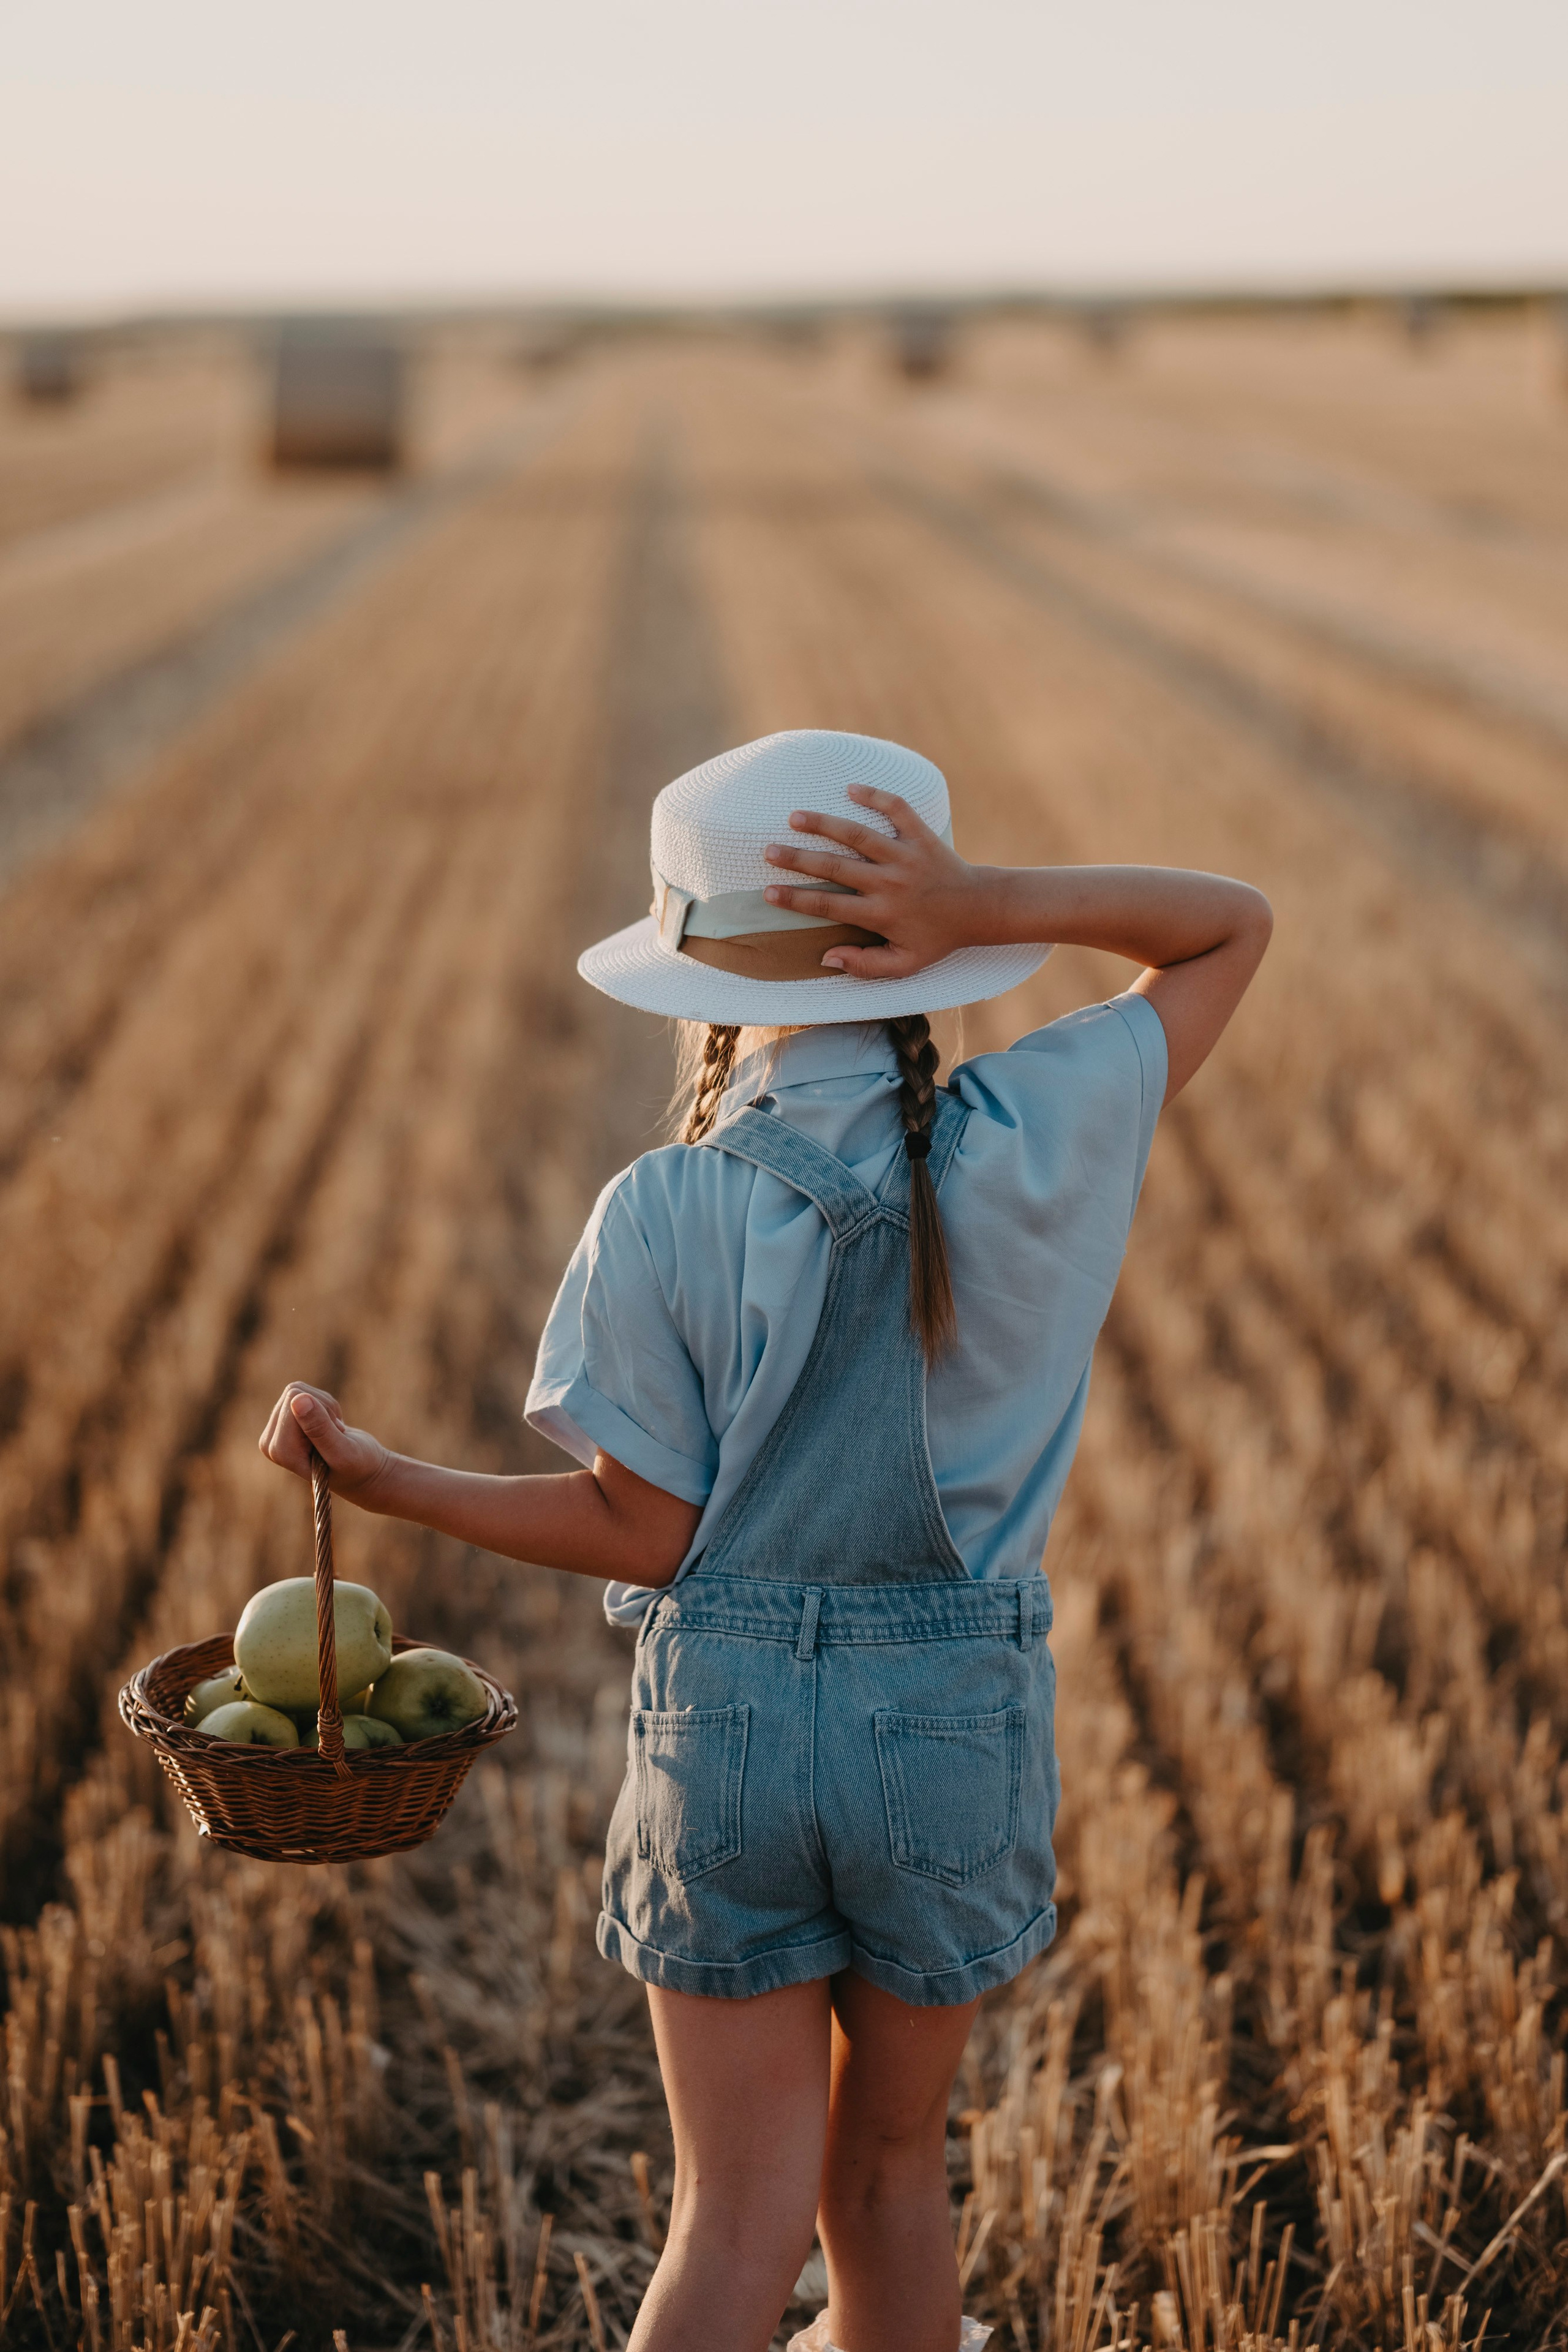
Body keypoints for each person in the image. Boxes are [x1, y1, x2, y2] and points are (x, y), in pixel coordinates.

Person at [258, 730, 1272, 2352]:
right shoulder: (1035, 1138)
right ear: (920, 949)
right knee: (887, 2190)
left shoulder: (660, 1209)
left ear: (704, 982)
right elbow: (1228, 924)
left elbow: (641, 1531)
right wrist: (979, 900)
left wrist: (395, 1485)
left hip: (722, 1737)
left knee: (728, 2227)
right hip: (947, 1745)